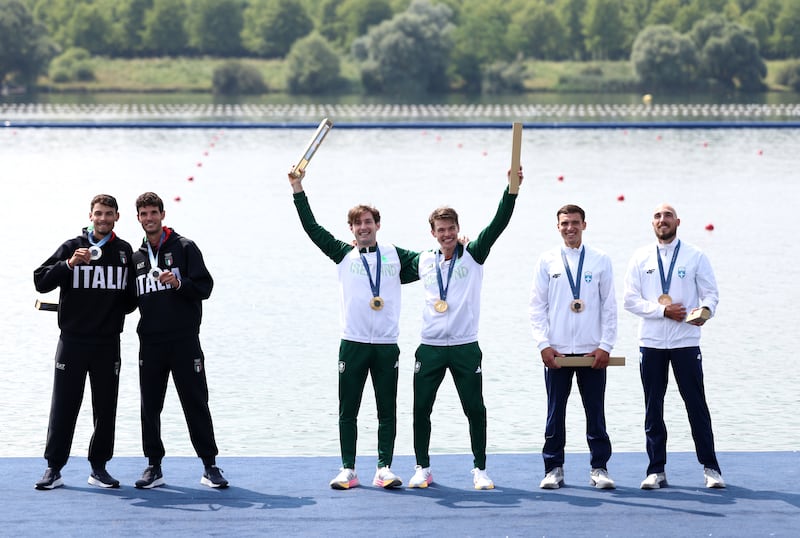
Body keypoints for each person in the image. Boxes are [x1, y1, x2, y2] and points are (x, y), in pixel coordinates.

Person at [289, 167, 420, 490]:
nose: (364, 227)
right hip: (354, 342)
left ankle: (383, 468)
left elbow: (432, 261)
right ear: (351, 228)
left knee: (386, 410)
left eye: (368, 222)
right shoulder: (343, 254)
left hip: (387, 344)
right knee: (348, 410)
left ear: (377, 225)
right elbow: (311, 228)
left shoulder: (395, 255)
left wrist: (457, 244)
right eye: (358, 223)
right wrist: (298, 190)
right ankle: (348, 469)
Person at [408, 169, 522, 491]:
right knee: (420, 409)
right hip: (429, 347)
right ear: (432, 232)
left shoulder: (474, 254)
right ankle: (422, 468)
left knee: (475, 408)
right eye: (441, 230)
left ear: (459, 229)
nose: (446, 234)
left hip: (464, 345)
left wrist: (510, 190)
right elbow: (383, 268)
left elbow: (499, 223)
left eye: (451, 228)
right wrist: (359, 247)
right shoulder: (423, 261)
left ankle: (480, 469)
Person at [32, 194, 136, 490]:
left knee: (105, 407)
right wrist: (68, 264)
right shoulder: (72, 246)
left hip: (107, 343)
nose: (103, 219)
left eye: (109, 214)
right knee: (64, 405)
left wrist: (109, 309)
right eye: (98, 214)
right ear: (90, 215)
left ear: (117, 217)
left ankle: (99, 467)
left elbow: (130, 300)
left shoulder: (124, 251)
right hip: (73, 341)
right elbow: (41, 281)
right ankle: (54, 468)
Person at [623, 203, 725, 490]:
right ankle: (656, 470)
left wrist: (704, 311)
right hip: (651, 343)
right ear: (652, 223)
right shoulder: (640, 257)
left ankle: (711, 468)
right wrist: (662, 311)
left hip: (685, 342)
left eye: (667, 216)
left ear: (677, 221)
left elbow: (711, 294)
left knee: (696, 405)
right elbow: (629, 300)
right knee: (653, 407)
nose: (662, 220)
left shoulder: (695, 256)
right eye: (657, 216)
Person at [131, 192, 228, 489]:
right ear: (138, 218)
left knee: (196, 402)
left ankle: (209, 465)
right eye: (144, 214)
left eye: (153, 213)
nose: (149, 218)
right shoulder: (135, 258)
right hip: (151, 343)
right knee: (150, 406)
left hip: (185, 341)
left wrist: (179, 283)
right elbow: (124, 301)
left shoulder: (185, 248)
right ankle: (153, 466)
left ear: (163, 214)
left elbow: (205, 287)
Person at [529, 204, 617, 490]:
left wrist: (605, 346)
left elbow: (610, 307)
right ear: (558, 227)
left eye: (575, 223)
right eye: (565, 223)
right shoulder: (547, 260)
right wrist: (543, 344)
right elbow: (537, 307)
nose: (570, 228)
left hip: (592, 352)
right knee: (555, 412)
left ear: (584, 225)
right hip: (558, 352)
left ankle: (599, 468)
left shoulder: (600, 260)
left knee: (596, 412)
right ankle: (554, 468)